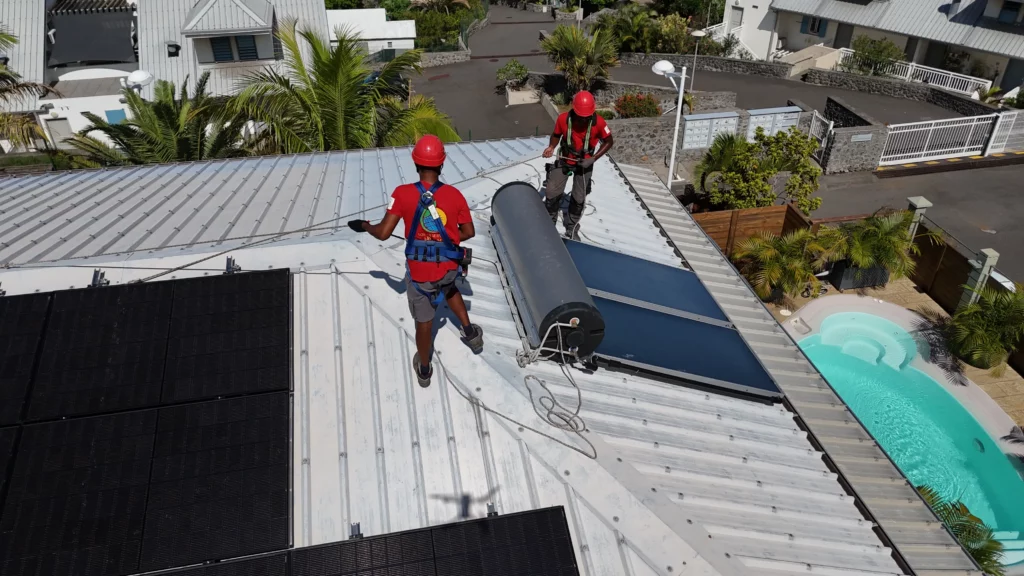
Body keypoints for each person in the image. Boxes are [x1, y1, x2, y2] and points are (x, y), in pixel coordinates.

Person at [348, 135, 484, 387]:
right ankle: (471, 334)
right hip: (448, 268)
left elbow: (383, 233)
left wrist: (365, 225)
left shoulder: (402, 194)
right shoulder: (455, 195)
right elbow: (468, 232)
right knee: (450, 288)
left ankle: (424, 369)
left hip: (421, 276)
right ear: (442, 163)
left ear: (415, 163)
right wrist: (445, 239)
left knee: (424, 322)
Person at [542, 90, 614, 239]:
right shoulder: (563, 119)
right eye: (581, 116)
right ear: (574, 111)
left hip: (585, 164)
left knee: (579, 197)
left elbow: (609, 141)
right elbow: (556, 135)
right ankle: (549, 223)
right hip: (565, 159)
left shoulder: (599, 123)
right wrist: (551, 147)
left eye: (586, 117)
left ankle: (572, 227)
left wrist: (593, 158)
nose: (583, 120)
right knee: (551, 192)